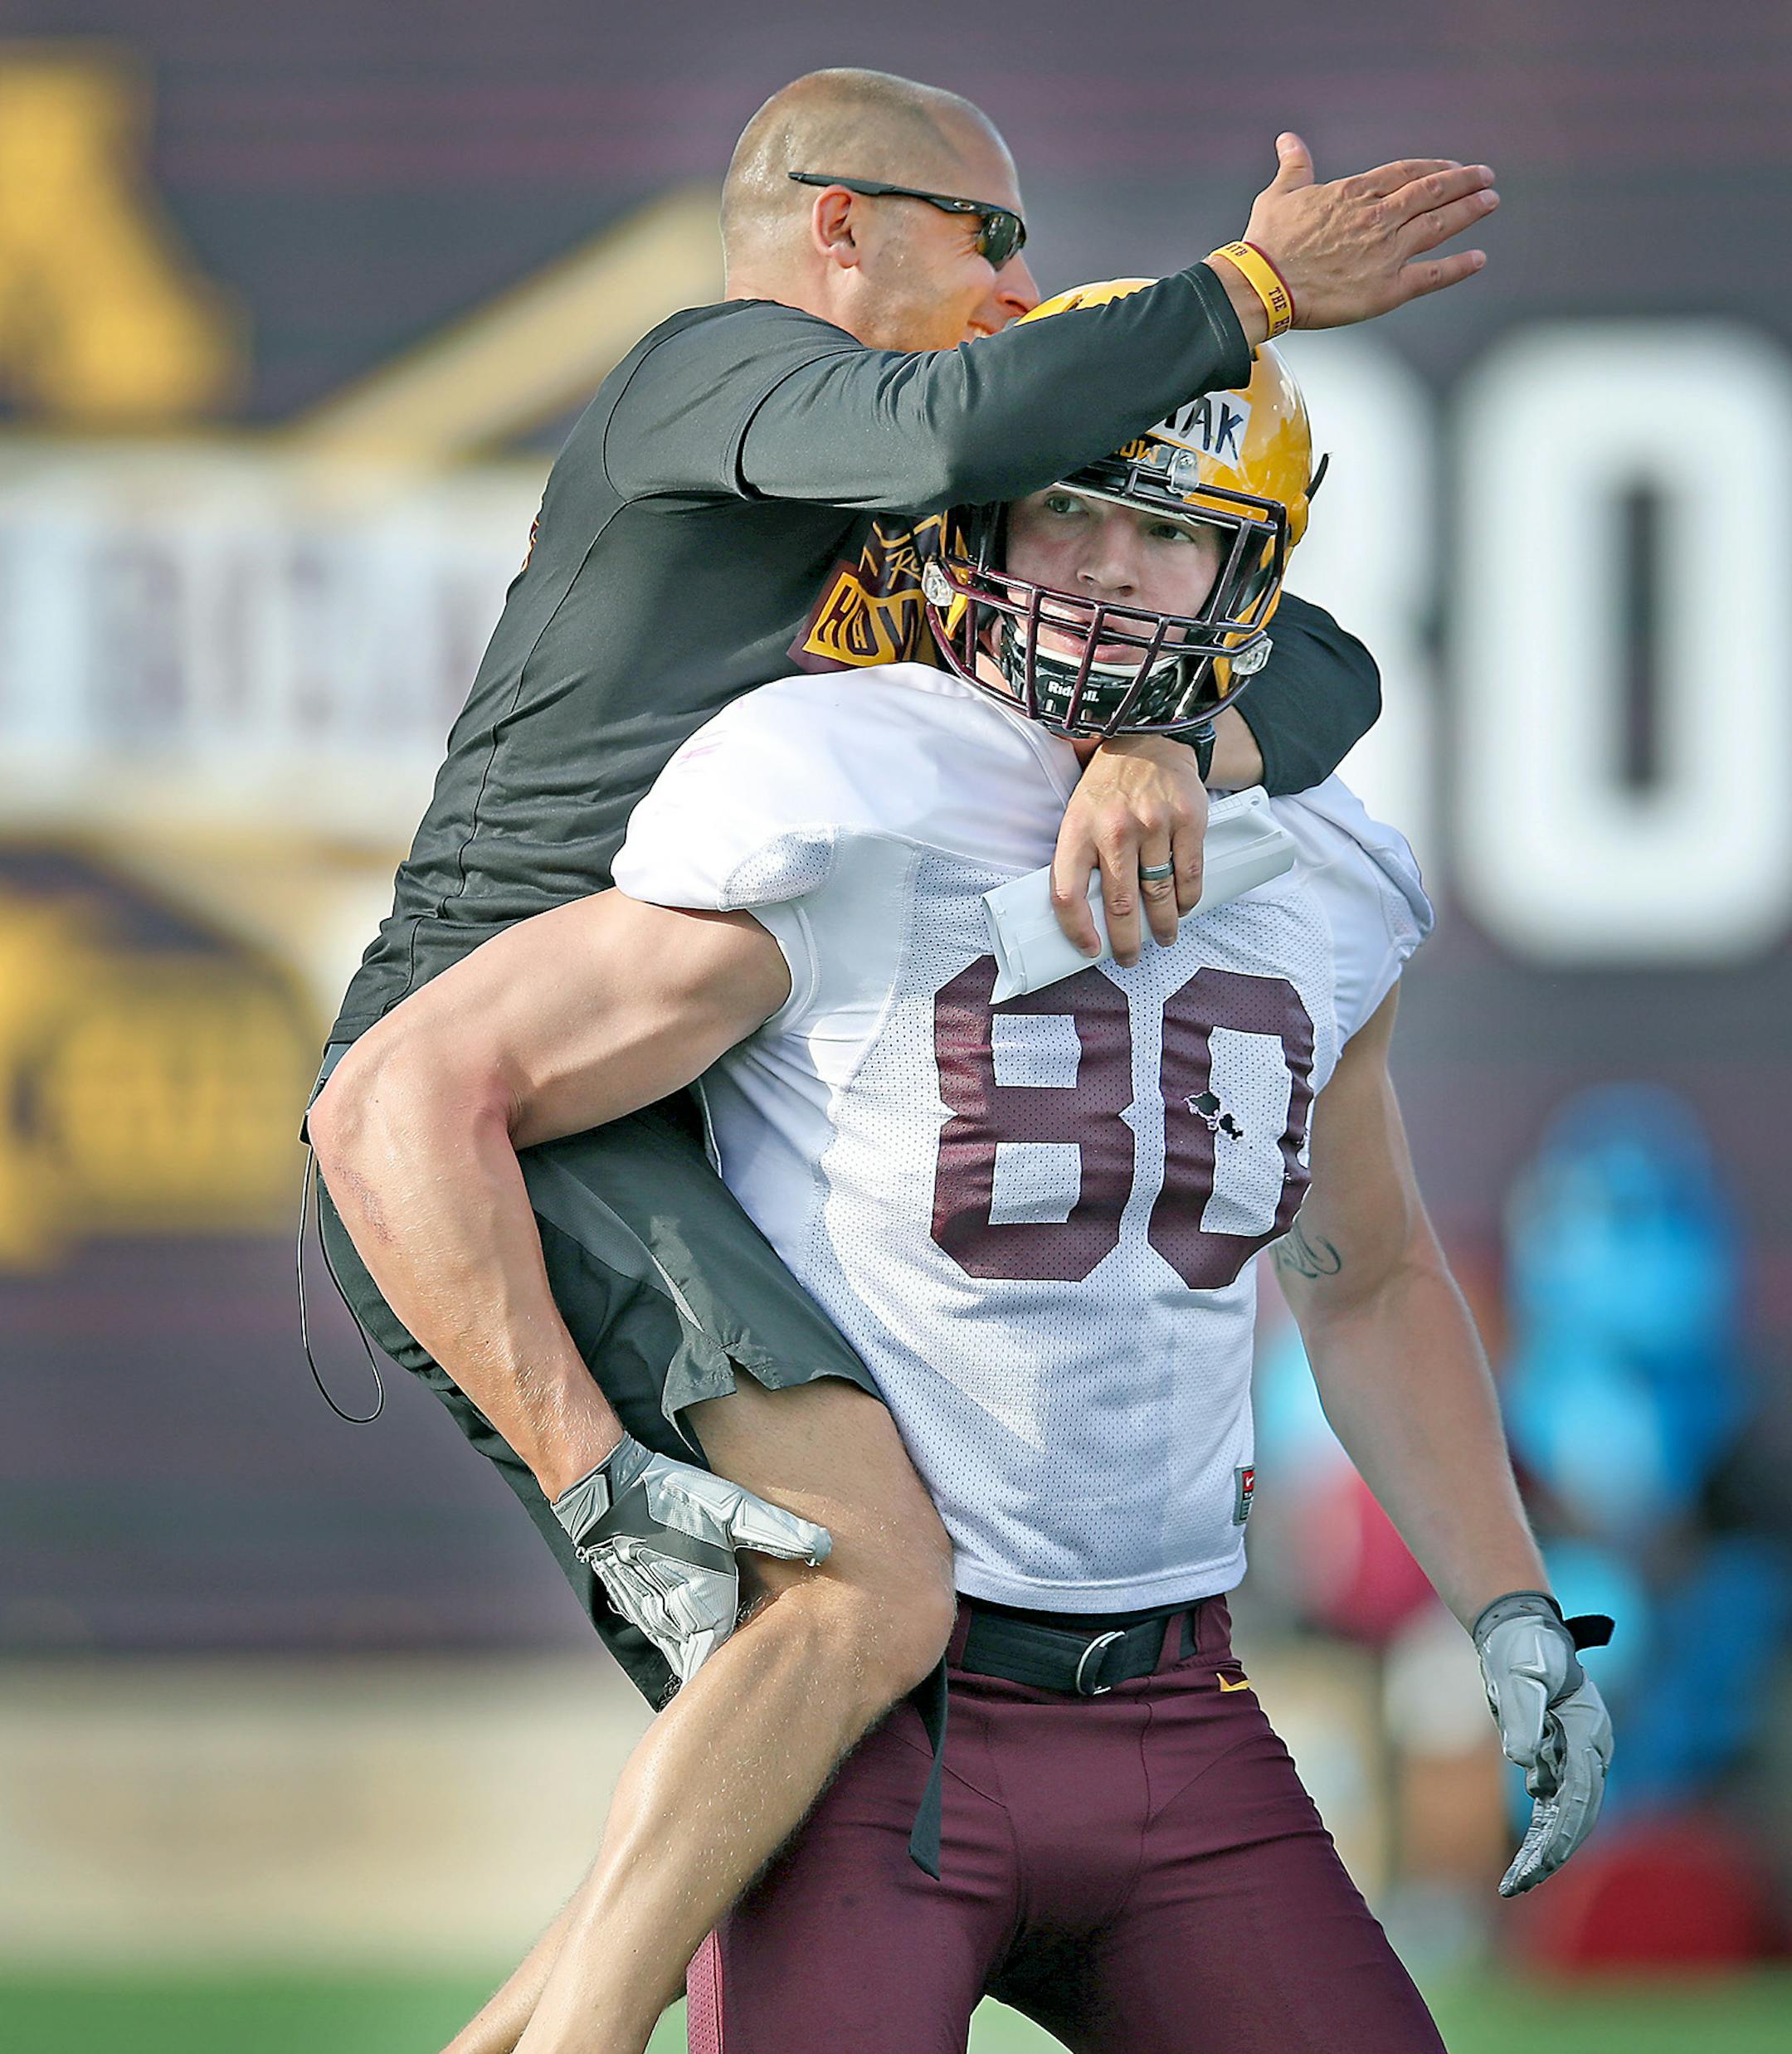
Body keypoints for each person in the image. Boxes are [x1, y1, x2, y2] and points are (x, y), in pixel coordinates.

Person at [308, 69, 1502, 2054]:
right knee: (862, 1593)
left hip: (654, 1050)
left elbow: (1308, 651)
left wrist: (1157, 738)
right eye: (995, 239)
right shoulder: (730, 372)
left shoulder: (905, 520)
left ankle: (530, 2027)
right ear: (839, 228)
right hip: (504, 1072)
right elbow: (972, 424)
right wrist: (1251, 286)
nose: (1018, 291)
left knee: (788, 1687)